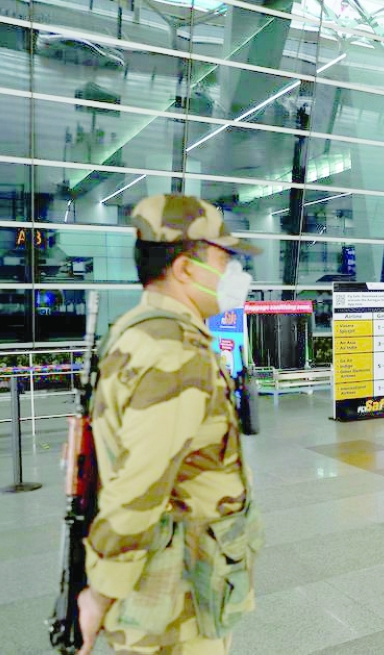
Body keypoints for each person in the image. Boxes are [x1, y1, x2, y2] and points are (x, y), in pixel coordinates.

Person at [77, 194, 263, 655]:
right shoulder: (173, 353)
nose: (236, 276)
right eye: (226, 260)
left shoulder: (138, 332)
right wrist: (98, 594)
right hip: (174, 605)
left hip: (172, 587)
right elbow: (140, 483)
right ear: (184, 269)